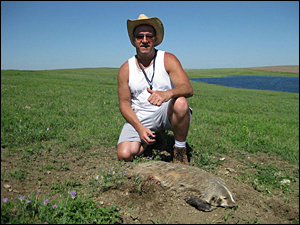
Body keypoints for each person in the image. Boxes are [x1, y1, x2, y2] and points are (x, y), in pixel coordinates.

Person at [117, 14, 194, 165]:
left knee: (181, 102)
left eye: (149, 36)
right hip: (141, 117)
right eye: (140, 36)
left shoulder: (168, 59)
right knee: (125, 155)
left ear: (155, 39)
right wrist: (139, 128)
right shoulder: (126, 69)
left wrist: (167, 94)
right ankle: (152, 139)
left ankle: (179, 150)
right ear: (133, 40)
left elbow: (188, 88)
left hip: (166, 111)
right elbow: (124, 104)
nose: (144, 40)